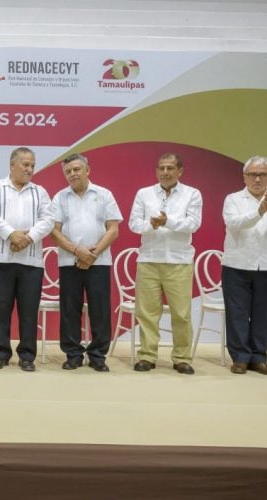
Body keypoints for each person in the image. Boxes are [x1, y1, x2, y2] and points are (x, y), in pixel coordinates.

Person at [0, 147, 53, 371]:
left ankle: (27, 355)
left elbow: (48, 220)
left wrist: (27, 238)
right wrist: (11, 233)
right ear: (12, 165)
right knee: (0, 310)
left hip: (31, 261)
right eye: (25, 164)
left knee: (29, 311)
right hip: (0, 260)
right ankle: (0, 354)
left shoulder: (39, 192)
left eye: (32, 165)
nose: (30, 169)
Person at [129, 153, 202, 374]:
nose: (165, 172)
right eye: (161, 168)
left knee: (181, 313)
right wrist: (152, 224)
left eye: (170, 168)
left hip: (179, 261)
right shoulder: (144, 193)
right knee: (147, 312)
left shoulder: (192, 194)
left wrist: (167, 221)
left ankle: (182, 358)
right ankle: (147, 355)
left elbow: (194, 224)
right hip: (149, 260)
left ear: (180, 171)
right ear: (156, 170)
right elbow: (134, 224)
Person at [222, 156, 267, 376]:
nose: (257, 178)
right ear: (244, 176)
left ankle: (259, 358)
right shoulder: (233, 198)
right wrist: (260, 211)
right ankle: (240, 358)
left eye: (262, 174)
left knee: (264, 314)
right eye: (252, 174)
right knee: (237, 313)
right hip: (237, 264)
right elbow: (234, 223)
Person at [48, 153, 122, 372]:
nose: (72, 174)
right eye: (68, 171)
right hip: (69, 262)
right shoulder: (60, 198)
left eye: (77, 169)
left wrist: (93, 254)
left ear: (87, 170)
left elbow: (113, 229)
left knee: (100, 310)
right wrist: (77, 251)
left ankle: (98, 355)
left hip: (98, 262)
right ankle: (73, 354)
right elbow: (54, 232)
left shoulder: (104, 194)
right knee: (70, 309)